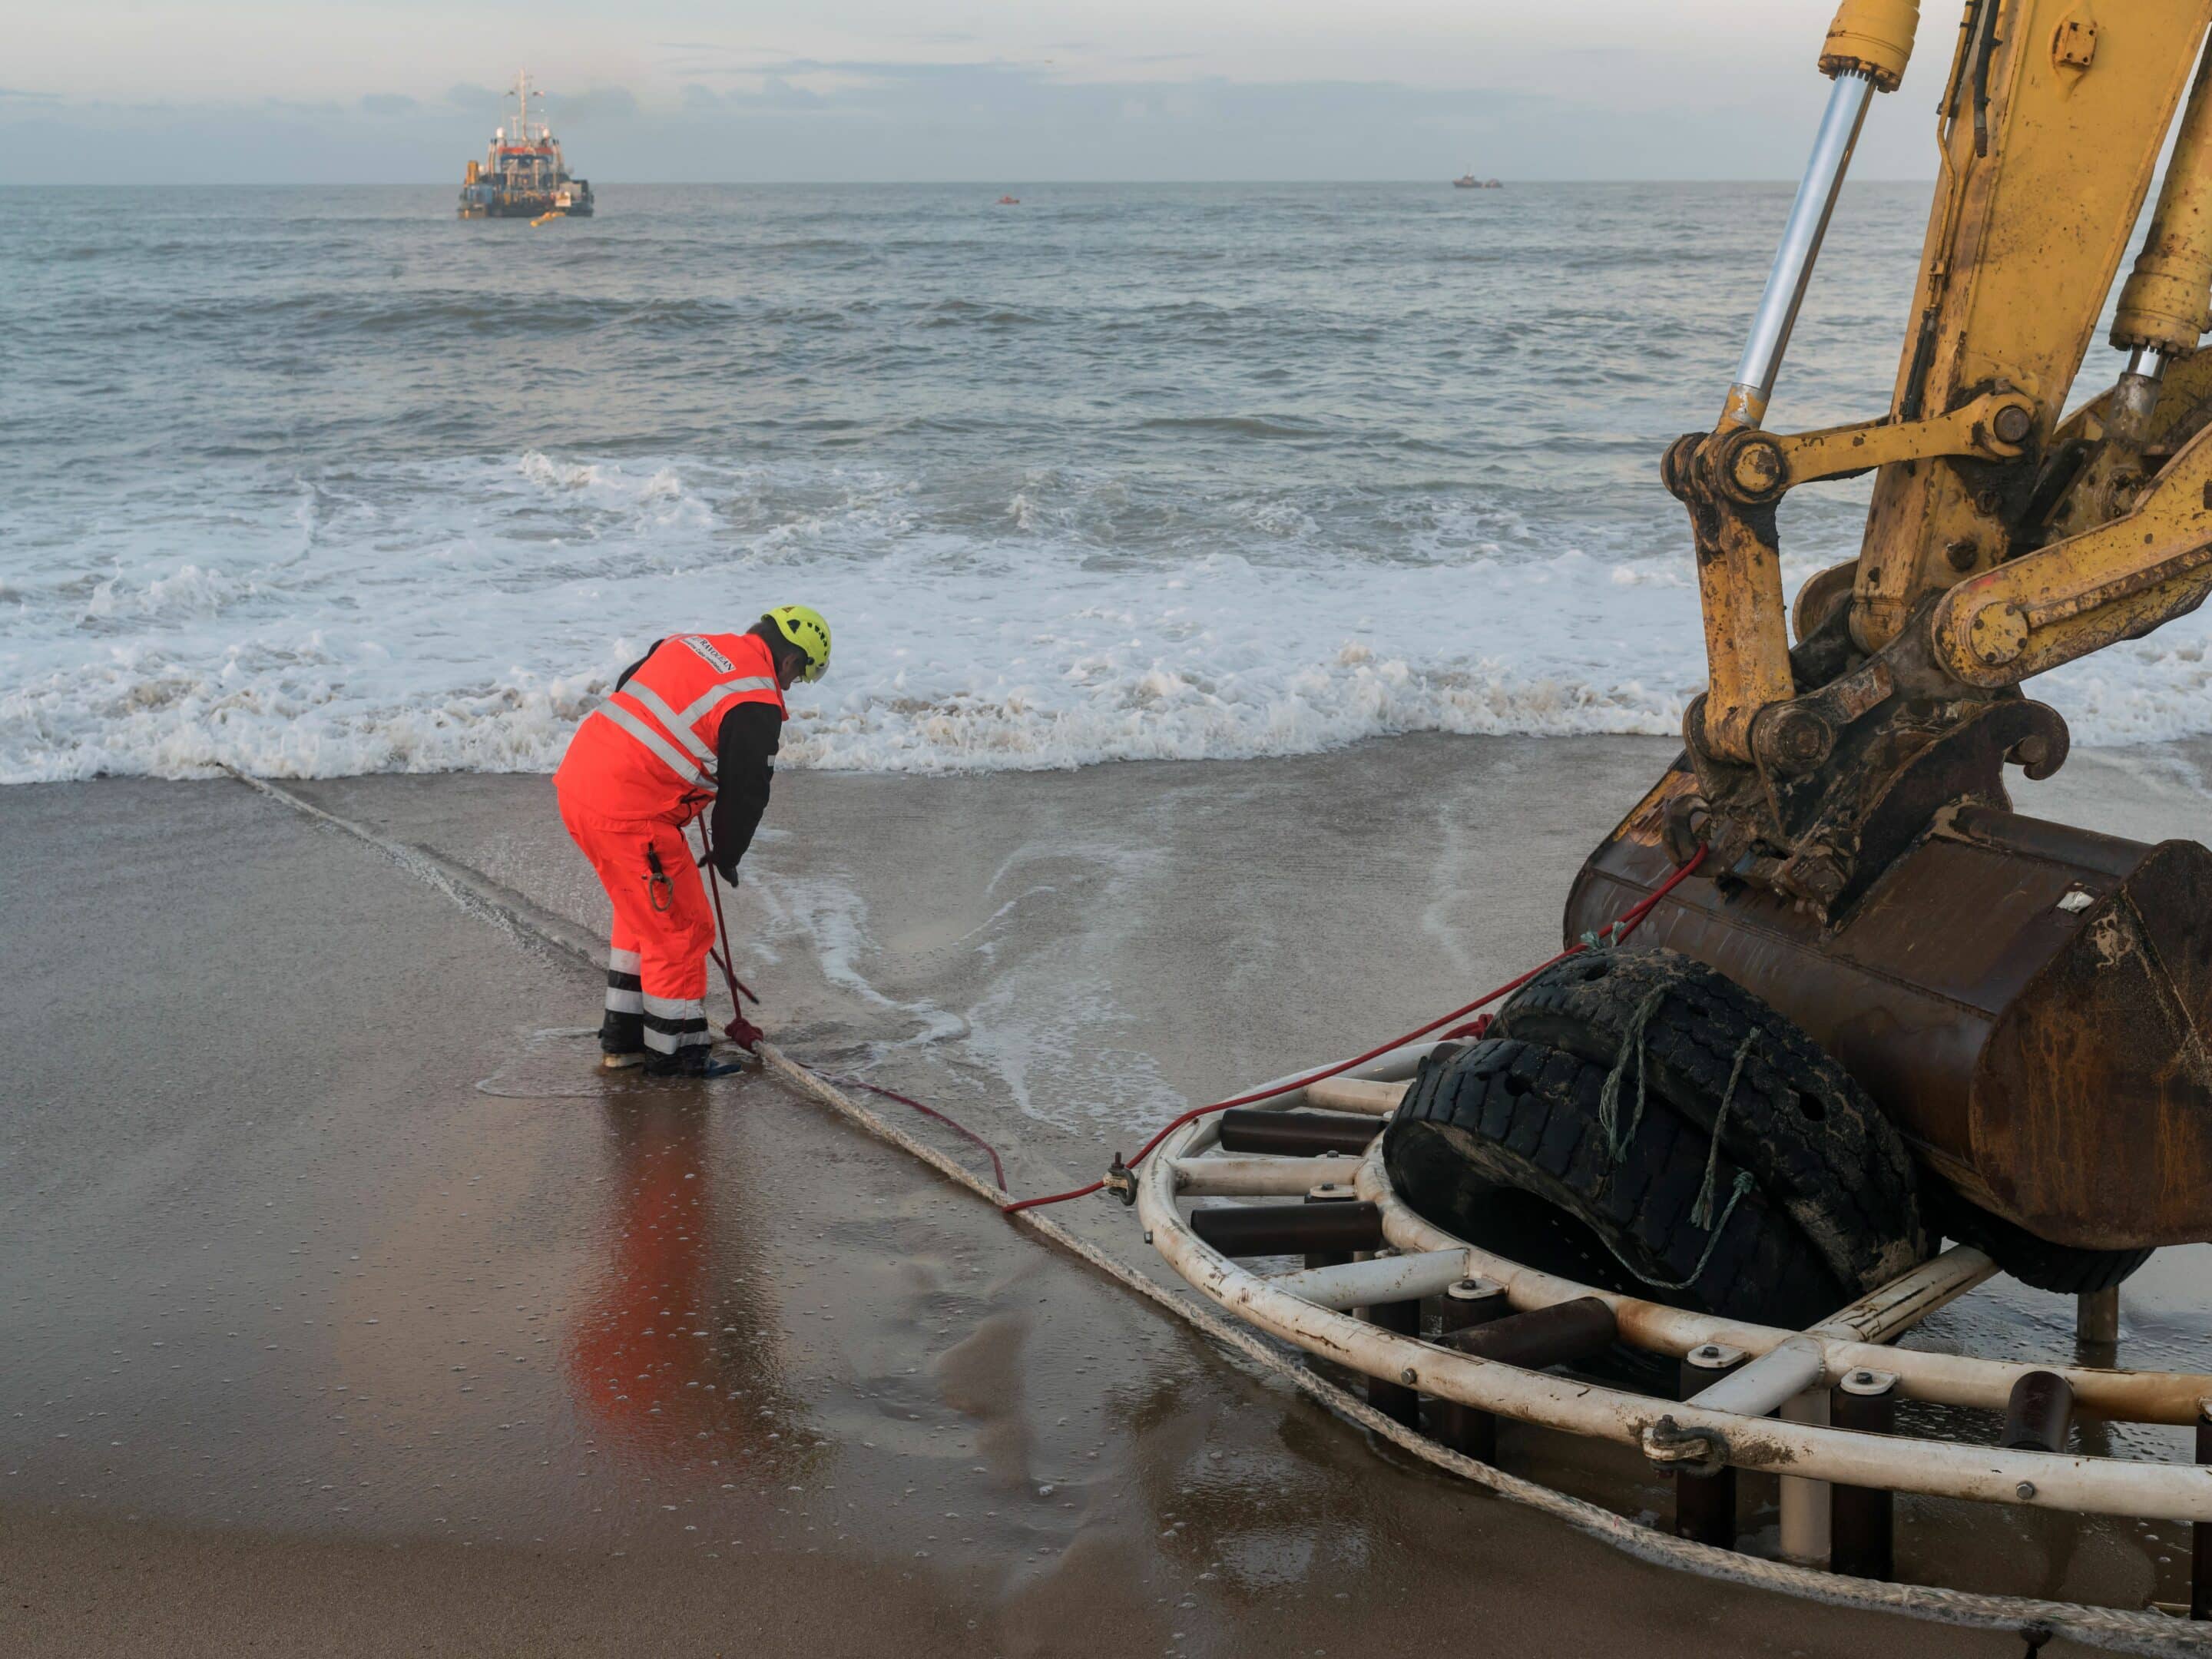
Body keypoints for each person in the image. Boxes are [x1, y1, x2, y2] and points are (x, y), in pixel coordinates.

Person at [553, 605, 831, 1076]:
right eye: (799, 676)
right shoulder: (756, 698)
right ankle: (676, 1055)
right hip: (630, 813)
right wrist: (727, 854)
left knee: (643, 916)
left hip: (579, 782)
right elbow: (746, 793)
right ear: (789, 660)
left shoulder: (689, 643)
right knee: (683, 929)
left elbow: (630, 687)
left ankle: (624, 1041)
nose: (790, 687)